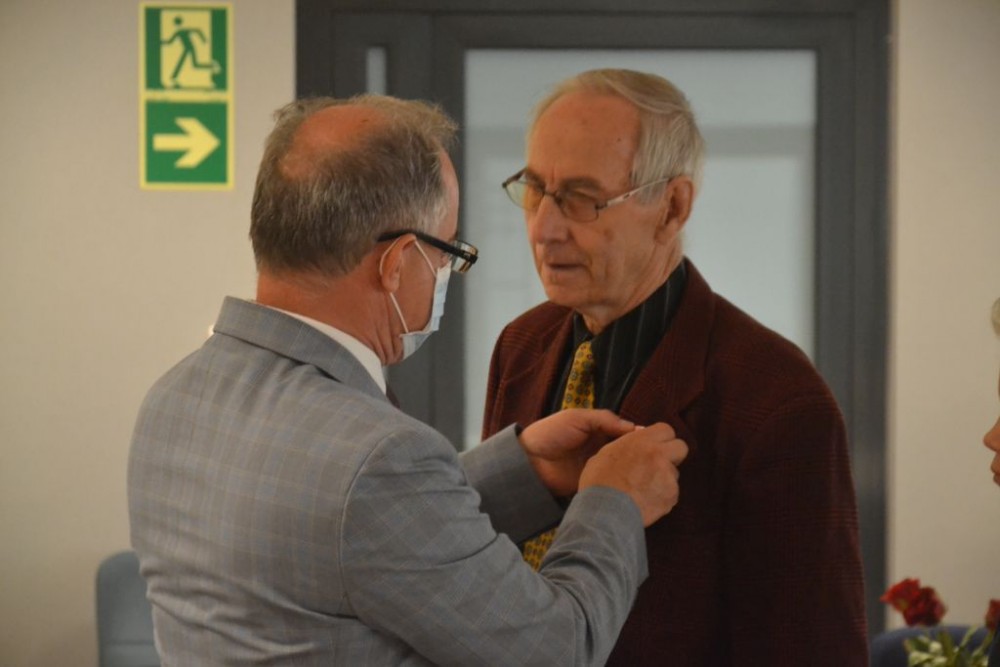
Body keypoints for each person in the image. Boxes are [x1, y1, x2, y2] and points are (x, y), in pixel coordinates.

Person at [128, 94, 689, 665]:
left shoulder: (173, 399)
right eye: (447, 252)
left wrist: (523, 472)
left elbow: (344, 533)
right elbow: (557, 648)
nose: (447, 272)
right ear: (396, 263)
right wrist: (612, 502)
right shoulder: (378, 456)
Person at [483, 68, 868, 664]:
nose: (544, 228)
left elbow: (811, 651)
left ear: (672, 207)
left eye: (583, 198)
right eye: (535, 190)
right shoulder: (522, 345)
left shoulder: (778, 400)